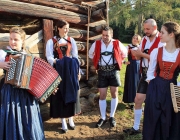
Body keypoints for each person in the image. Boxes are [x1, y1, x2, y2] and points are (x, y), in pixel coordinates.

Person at [0, 27, 45, 140]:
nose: (12, 42)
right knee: (12, 117)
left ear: (22, 41)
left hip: (26, 95)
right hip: (10, 92)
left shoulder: (27, 56)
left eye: (16, 39)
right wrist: (0, 64)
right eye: (11, 39)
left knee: (28, 118)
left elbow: (36, 77)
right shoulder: (4, 53)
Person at [123, 19, 166, 135]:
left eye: (148, 29)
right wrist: (136, 54)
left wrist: (141, 54)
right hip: (145, 73)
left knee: (153, 103)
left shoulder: (161, 40)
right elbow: (138, 56)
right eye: (144, 29)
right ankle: (136, 128)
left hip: (156, 75)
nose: (145, 31)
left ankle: (154, 129)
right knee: (138, 100)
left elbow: (159, 59)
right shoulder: (145, 40)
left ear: (155, 27)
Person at [143, 22, 180, 140]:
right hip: (156, 87)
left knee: (168, 118)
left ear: (171, 35)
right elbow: (150, 71)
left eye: (162, 32)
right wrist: (151, 84)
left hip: (172, 90)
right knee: (153, 117)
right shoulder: (156, 52)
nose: (160, 34)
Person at [46, 19, 81, 133]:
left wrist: (78, 71)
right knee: (60, 94)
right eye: (65, 28)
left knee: (71, 92)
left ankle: (70, 119)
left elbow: (75, 57)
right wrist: (60, 62)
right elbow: (49, 57)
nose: (67, 30)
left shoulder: (72, 40)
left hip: (70, 71)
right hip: (58, 70)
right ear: (59, 28)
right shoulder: (51, 41)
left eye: (68, 28)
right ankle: (63, 121)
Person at [89, 26, 127, 128]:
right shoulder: (97, 43)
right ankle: (103, 117)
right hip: (102, 71)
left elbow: (125, 53)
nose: (105, 37)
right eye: (103, 35)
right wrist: (97, 59)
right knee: (102, 95)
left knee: (114, 93)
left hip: (113, 70)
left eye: (107, 35)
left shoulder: (117, 43)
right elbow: (90, 54)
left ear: (111, 35)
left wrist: (119, 59)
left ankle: (112, 116)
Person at [122, 34, 141, 110]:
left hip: (139, 67)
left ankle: (139, 101)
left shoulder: (141, 47)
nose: (135, 39)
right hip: (131, 67)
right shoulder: (128, 47)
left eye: (137, 38)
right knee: (132, 83)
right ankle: (131, 102)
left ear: (139, 40)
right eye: (134, 38)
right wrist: (124, 62)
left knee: (139, 84)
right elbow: (121, 55)